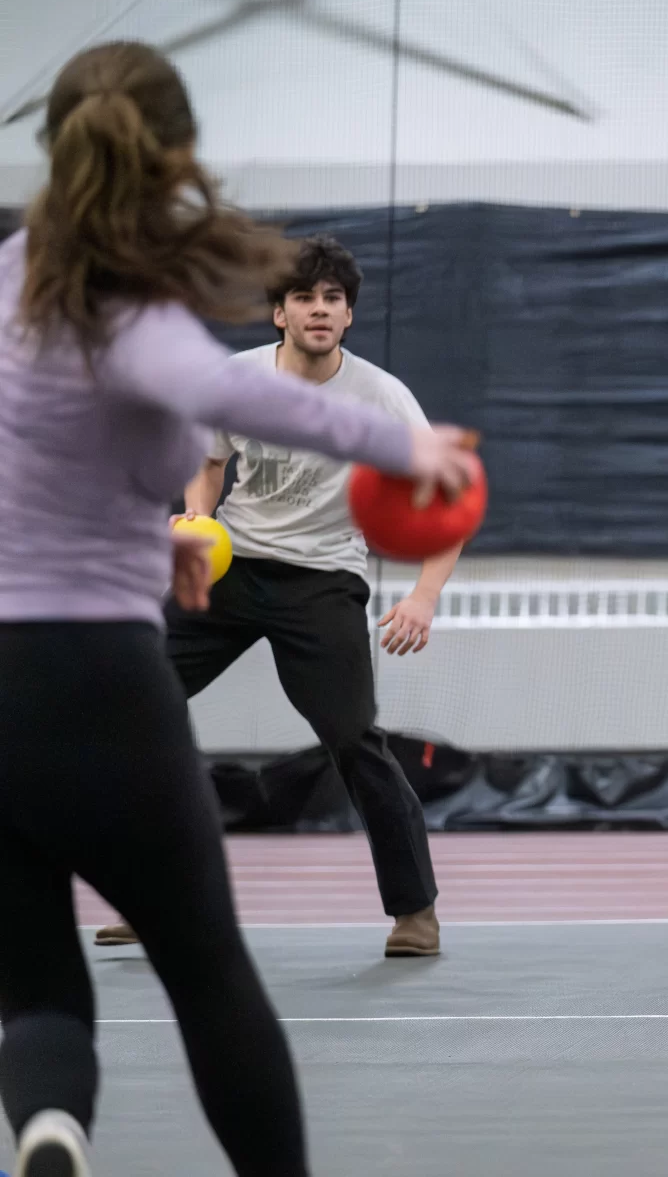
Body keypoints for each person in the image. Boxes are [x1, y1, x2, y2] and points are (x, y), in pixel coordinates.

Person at [0, 41, 477, 1177]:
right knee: (209, 970)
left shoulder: (13, 277)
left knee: (33, 982)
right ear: (173, 153)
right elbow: (218, 392)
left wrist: (161, 533)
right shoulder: (130, 301)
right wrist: (406, 447)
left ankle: (52, 1126)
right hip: (98, 673)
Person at [93, 235, 456, 960]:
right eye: (304, 298)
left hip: (322, 580)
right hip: (232, 569)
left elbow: (448, 498)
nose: (320, 311)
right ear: (278, 313)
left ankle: (415, 911)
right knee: (131, 709)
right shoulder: (236, 380)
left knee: (354, 739)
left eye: (333, 301)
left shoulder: (382, 397)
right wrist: (198, 520)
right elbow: (207, 461)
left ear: (349, 317)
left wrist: (424, 595)